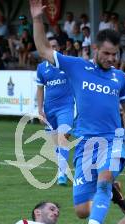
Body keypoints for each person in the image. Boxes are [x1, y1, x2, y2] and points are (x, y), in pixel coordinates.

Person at [30, 0, 125, 224]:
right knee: (81, 209)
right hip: (86, 143)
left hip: (112, 138)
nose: (112, 58)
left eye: (115, 54)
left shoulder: (119, 77)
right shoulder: (77, 67)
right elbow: (44, 50)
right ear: (95, 49)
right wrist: (37, 19)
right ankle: (112, 194)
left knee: (104, 178)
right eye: (107, 53)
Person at [36, 37, 75, 186]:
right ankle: (62, 169)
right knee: (55, 144)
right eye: (50, 47)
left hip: (66, 108)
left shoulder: (67, 65)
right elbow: (40, 90)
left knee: (63, 137)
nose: (53, 49)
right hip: (49, 110)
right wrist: (40, 110)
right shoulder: (41, 68)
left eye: (55, 46)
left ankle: (62, 175)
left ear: (59, 49)